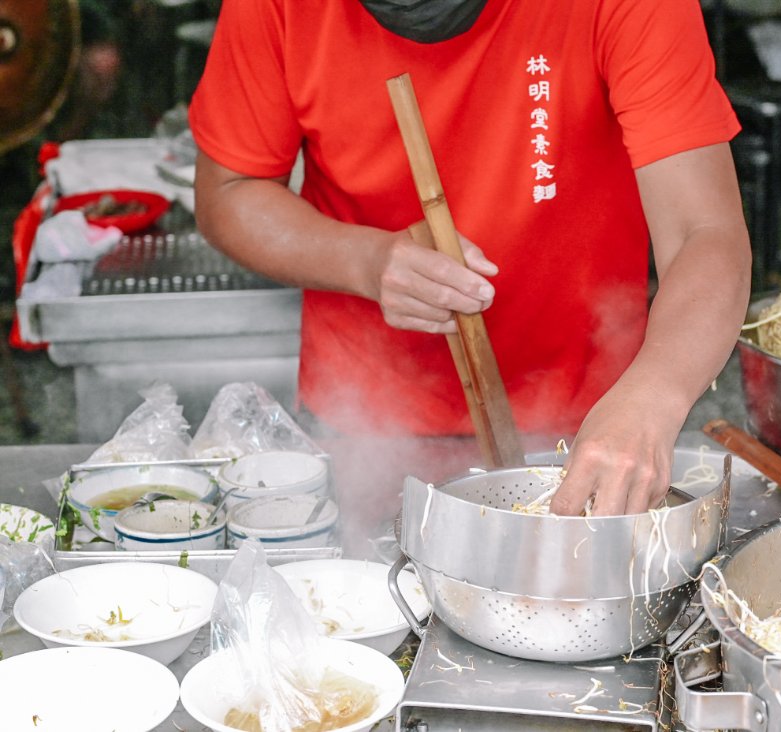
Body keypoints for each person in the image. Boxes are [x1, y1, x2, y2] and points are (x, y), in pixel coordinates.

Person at [189, 0, 752, 518]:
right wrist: (365, 261)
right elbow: (229, 192)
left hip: (593, 420)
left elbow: (703, 231)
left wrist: (651, 397)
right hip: (363, 418)